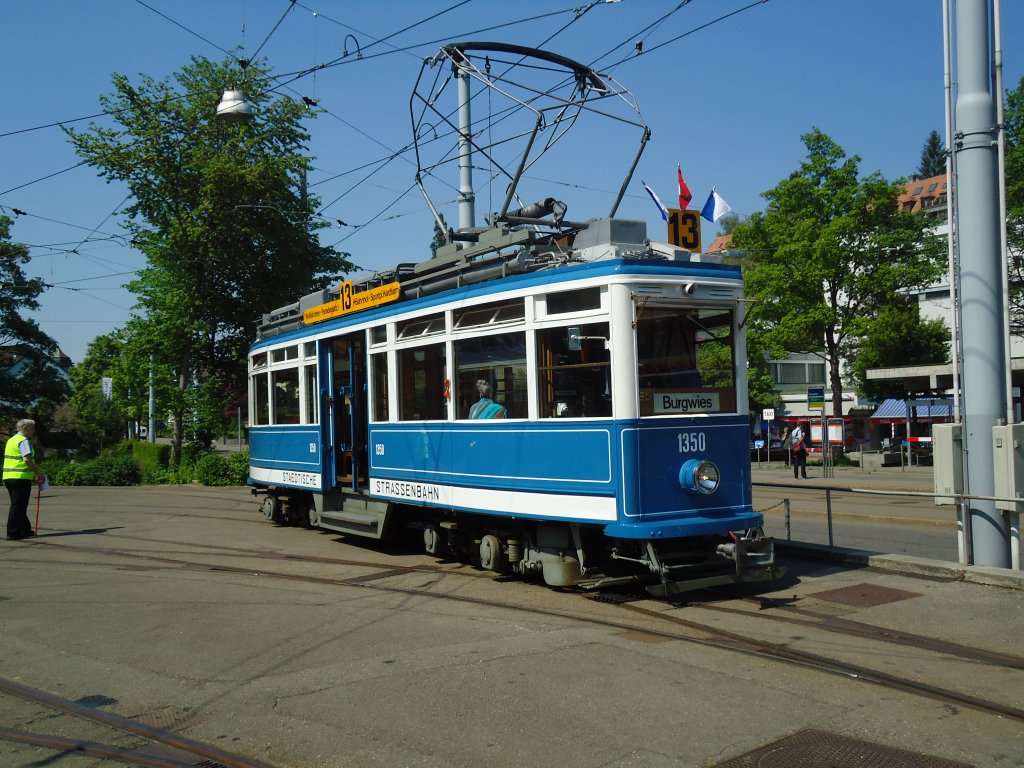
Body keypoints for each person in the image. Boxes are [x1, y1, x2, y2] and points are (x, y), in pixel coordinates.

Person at [4, 419, 46, 540]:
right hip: (20, 477)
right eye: (32, 428)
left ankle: (25, 530)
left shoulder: (12, 440)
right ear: (25, 428)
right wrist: (39, 474)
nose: (34, 431)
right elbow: (27, 459)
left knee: (19, 505)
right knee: (18, 505)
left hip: (9, 477)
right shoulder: (23, 441)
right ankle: (13, 532)